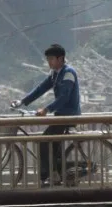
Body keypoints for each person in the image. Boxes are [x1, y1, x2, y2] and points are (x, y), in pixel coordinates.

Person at [11, 44, 81, 186]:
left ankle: (50, 175)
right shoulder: (55, 74)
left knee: (44, 141)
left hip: (68, 115)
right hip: (60, 115)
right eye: (48, 59)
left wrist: (46, 109)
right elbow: (40, 89)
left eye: (51, 59)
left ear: (60, 59)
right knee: (53, 144)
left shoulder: (68, 73)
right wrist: (22, 102)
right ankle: (56, 173)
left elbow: (64, 97)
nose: (49, 62)